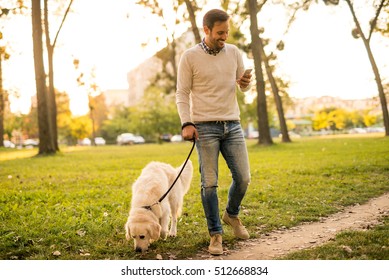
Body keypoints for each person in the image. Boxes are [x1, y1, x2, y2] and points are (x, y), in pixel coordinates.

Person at [175, 8, 252, 255]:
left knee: (243, 178)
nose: (224, 37)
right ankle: (215, 234)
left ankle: (231, 215)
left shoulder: (234, 53)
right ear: (206, 30)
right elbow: (182, 93)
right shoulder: (189, 57)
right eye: (220, 32)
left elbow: (243, 88)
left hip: (233, 124)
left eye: (227, 32)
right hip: (205, 127)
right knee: (209, 184)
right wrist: (186, 122)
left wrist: (245, 84)